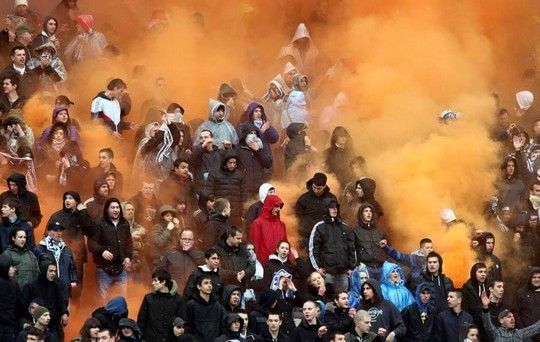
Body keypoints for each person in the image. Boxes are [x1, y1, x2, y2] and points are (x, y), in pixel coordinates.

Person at [48, 191, 94, 298]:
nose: (67, 200)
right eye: (66, 198)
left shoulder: (82, 215)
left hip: (77, 257)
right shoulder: (57, 216)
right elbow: (47, 236)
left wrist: (83, 212)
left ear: (77, 201)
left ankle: (75, 310)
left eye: (71, 198)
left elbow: (90, 231)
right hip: (58, 257)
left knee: (76, 286)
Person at [88, 198, 133, 299]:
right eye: (112, 207)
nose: (116, 210)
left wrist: (128, 257)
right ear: (107, 209)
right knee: (103, 301)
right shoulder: (99, 223)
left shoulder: (124, 224)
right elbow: (91, 243)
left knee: (122, 301)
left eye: (117, 207)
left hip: (121, 269)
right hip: (103, 270)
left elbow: (129, 243)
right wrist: (102, 251)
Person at [309, 198, 355, 294]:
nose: (334, 210)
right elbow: (313, 248)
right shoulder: (319, 227)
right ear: (326, 209)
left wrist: (351, 268)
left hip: (343, 273)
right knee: (328, 301)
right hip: (327, 273)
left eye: (336, 207)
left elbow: (352, 248)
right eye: (331, 208)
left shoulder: (345, 227)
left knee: (343, 299)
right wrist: (317, 267)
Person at [22, 260, 69, 341]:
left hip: (53, 325)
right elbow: (24, 307)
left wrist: (64, 312)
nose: (53, 273)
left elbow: (60, 301)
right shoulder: (31, 286)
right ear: (44, 270)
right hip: (36, 327)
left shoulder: (55, 285)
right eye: (50, 271)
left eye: (55, 271)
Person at [137, 270, 186, 342]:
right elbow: (141, 321)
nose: (152, 283)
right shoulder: (148, 298)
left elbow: (183, 321)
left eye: (155, 280)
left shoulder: (178, 300)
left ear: (163, 282)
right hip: (151, 339)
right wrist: (142, 338)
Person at [295, 172, 338, 252]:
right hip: (307, 235)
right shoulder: (304, 199)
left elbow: (336, 217)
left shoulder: (332, 198)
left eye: (319, 188)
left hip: (325, 236)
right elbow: (297, 216)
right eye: (314, 187)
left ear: (324, 186)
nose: (315, 190)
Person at [32, 221, 77, 292]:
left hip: (64, 287)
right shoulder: (39, 250)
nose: (59, 233)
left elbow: (72, 268)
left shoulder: (67, 250)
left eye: (60, 231)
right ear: (48, 232)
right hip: (45, 288)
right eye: (55, 230)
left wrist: (73, 280)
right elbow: (34, 269)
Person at [157, 229, 204, 294]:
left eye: (190, 239)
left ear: (193, 240)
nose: (187, 241)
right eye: (184, 239)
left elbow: (205, 266)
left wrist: (191, 251)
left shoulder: (199, 254)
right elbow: (160, 272)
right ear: (180, 239)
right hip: (174, 293)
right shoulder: (169, 253)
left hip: (193, 294)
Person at [206, 150, 247, 227]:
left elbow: (244, 196)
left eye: (234, 163)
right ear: (224, 162)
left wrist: (243, 214)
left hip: (235, 213)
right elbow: (209, 193)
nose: (232, 165)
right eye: (230, 162)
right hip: (219, 214)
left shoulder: (240, 175)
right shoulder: (214, 174)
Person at [352, 203, 388, 282]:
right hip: (365, 267)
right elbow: (351, 250)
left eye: (370, 211)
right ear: (361, 214)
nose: (369, 213)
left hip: (380, 267)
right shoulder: (355, 231)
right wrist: (357, 264)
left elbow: (387, 250)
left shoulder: (381, 231)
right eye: (366, 211)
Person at [249, 194, 288, 266]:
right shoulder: (257, 223)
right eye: (276, 206)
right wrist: (257, 264)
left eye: (279, 207)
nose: (279, 209)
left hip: (279, 265)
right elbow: (254, 246)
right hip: (263, 265)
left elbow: (286, 244)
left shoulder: (282, 225)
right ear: (269, 206)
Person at [185, 274, 225, 341]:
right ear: (199, 286)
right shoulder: (191, 305)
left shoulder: (218, 307)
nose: (209, 286)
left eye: (210, 283)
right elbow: (187, 327)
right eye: (206, 283)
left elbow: (223, 327)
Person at [0, 254, 22, 342]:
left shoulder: (14, 284)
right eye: (12, 266)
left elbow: (19, 304)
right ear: (5, 268)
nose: (15, 269)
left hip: (9, 326)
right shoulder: (14, 284)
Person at [514, 267, 540, 337]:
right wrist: (522, 330)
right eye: (534, 277)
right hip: (526, 334)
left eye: (539, 277)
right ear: (529, 278)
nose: (537, 279)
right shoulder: (521, 293)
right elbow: (515, 312)